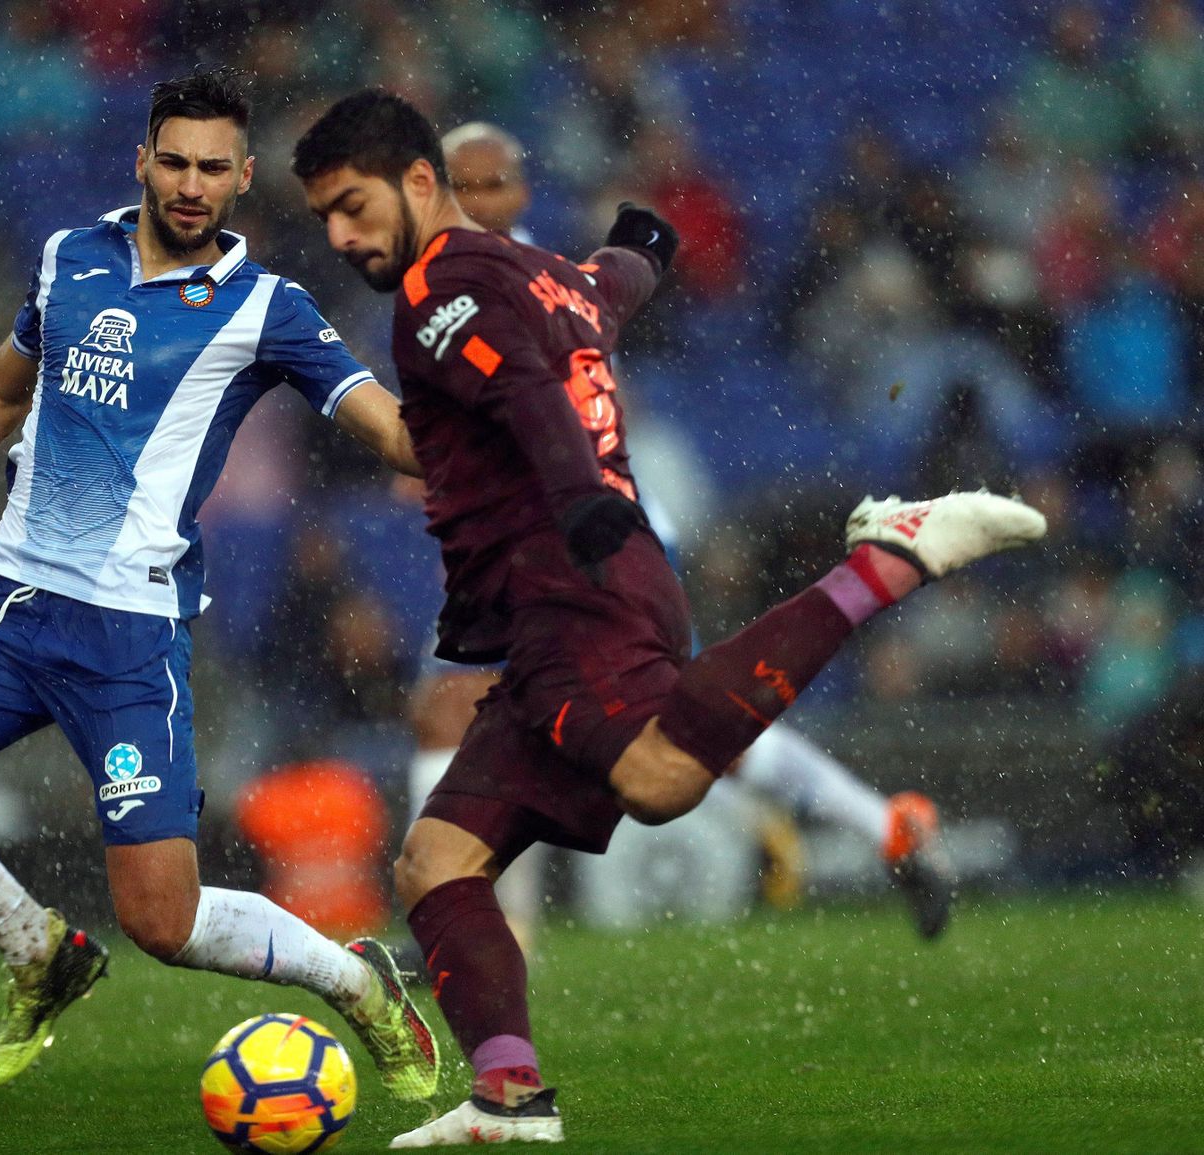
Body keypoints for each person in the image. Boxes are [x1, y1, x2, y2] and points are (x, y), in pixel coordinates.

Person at [294, 91, 1046, 1146]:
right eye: (324, 216)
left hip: (571, 578)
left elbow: (523, 400)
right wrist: (644, 240)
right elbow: (612, 285)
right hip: (562, 591)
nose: (340, 234)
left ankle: (885, 565)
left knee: (658, 778)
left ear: (419, 182)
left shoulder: (438, 291)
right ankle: (508, 1097)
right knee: (437, 863)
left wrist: (581, 500)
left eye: (351, 206)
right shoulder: (538, 272)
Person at [0, 68, 438, 1099]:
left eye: (213, 168)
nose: (191, 185)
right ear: (143, 160)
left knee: (164, 923)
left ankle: (355, 978)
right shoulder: (69, 259)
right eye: (175, 161)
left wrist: (495, 443)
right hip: (10, 610)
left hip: (129, 638)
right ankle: (40, 951)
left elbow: (383, 425)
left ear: (242, 178)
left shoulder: (265, 308)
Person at [420, 123, 957, 945]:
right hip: (539, 540)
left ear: (517, 191)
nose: (468, 198)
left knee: (653, 732)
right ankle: (887, 825)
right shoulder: (473, 274)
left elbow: (557, 400)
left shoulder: (496, 274)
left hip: (583, 534)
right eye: (458, 183)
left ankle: (502, 924)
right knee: (506, 718)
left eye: (487, 182)